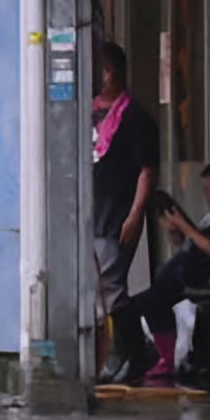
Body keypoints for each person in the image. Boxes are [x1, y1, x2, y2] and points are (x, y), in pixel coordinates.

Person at [136, 159, 210, 387]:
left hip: (204, 276)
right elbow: (196, 242)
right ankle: (164, 355)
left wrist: (185, 226)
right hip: (184, 269)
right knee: (148, 298)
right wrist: (177, 230)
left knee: (152, 300)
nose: (206, 195)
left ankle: (167, 358)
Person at [90, 45, 163, 383]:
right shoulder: (84, 112)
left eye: (103, 69)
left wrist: (136, 213)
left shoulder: (136, 118)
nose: (101, 76)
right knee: (98, 287)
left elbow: (148, 170)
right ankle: (128, 352)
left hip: (117, 213)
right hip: (89, 212)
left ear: (117, 72)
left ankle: (137, 352)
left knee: (112, 284)